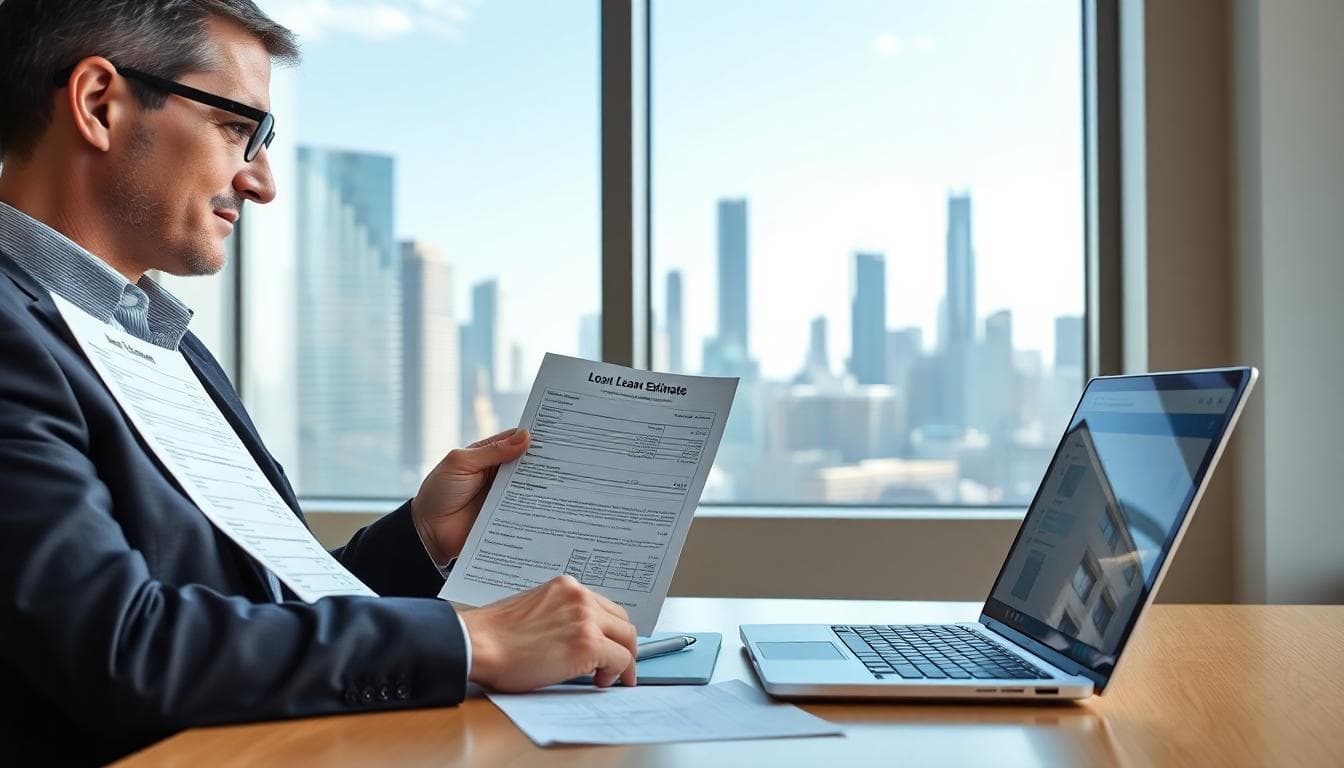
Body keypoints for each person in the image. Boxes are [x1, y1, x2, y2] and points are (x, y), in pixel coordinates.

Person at [0, 1, 638, 763]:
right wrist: (472, 640)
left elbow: (261, 611)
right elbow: (121, 647)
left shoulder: (164, 343)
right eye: (239, 129)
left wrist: (423, 542)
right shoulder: (15, 333)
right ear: (100, 104)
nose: (261, 181)